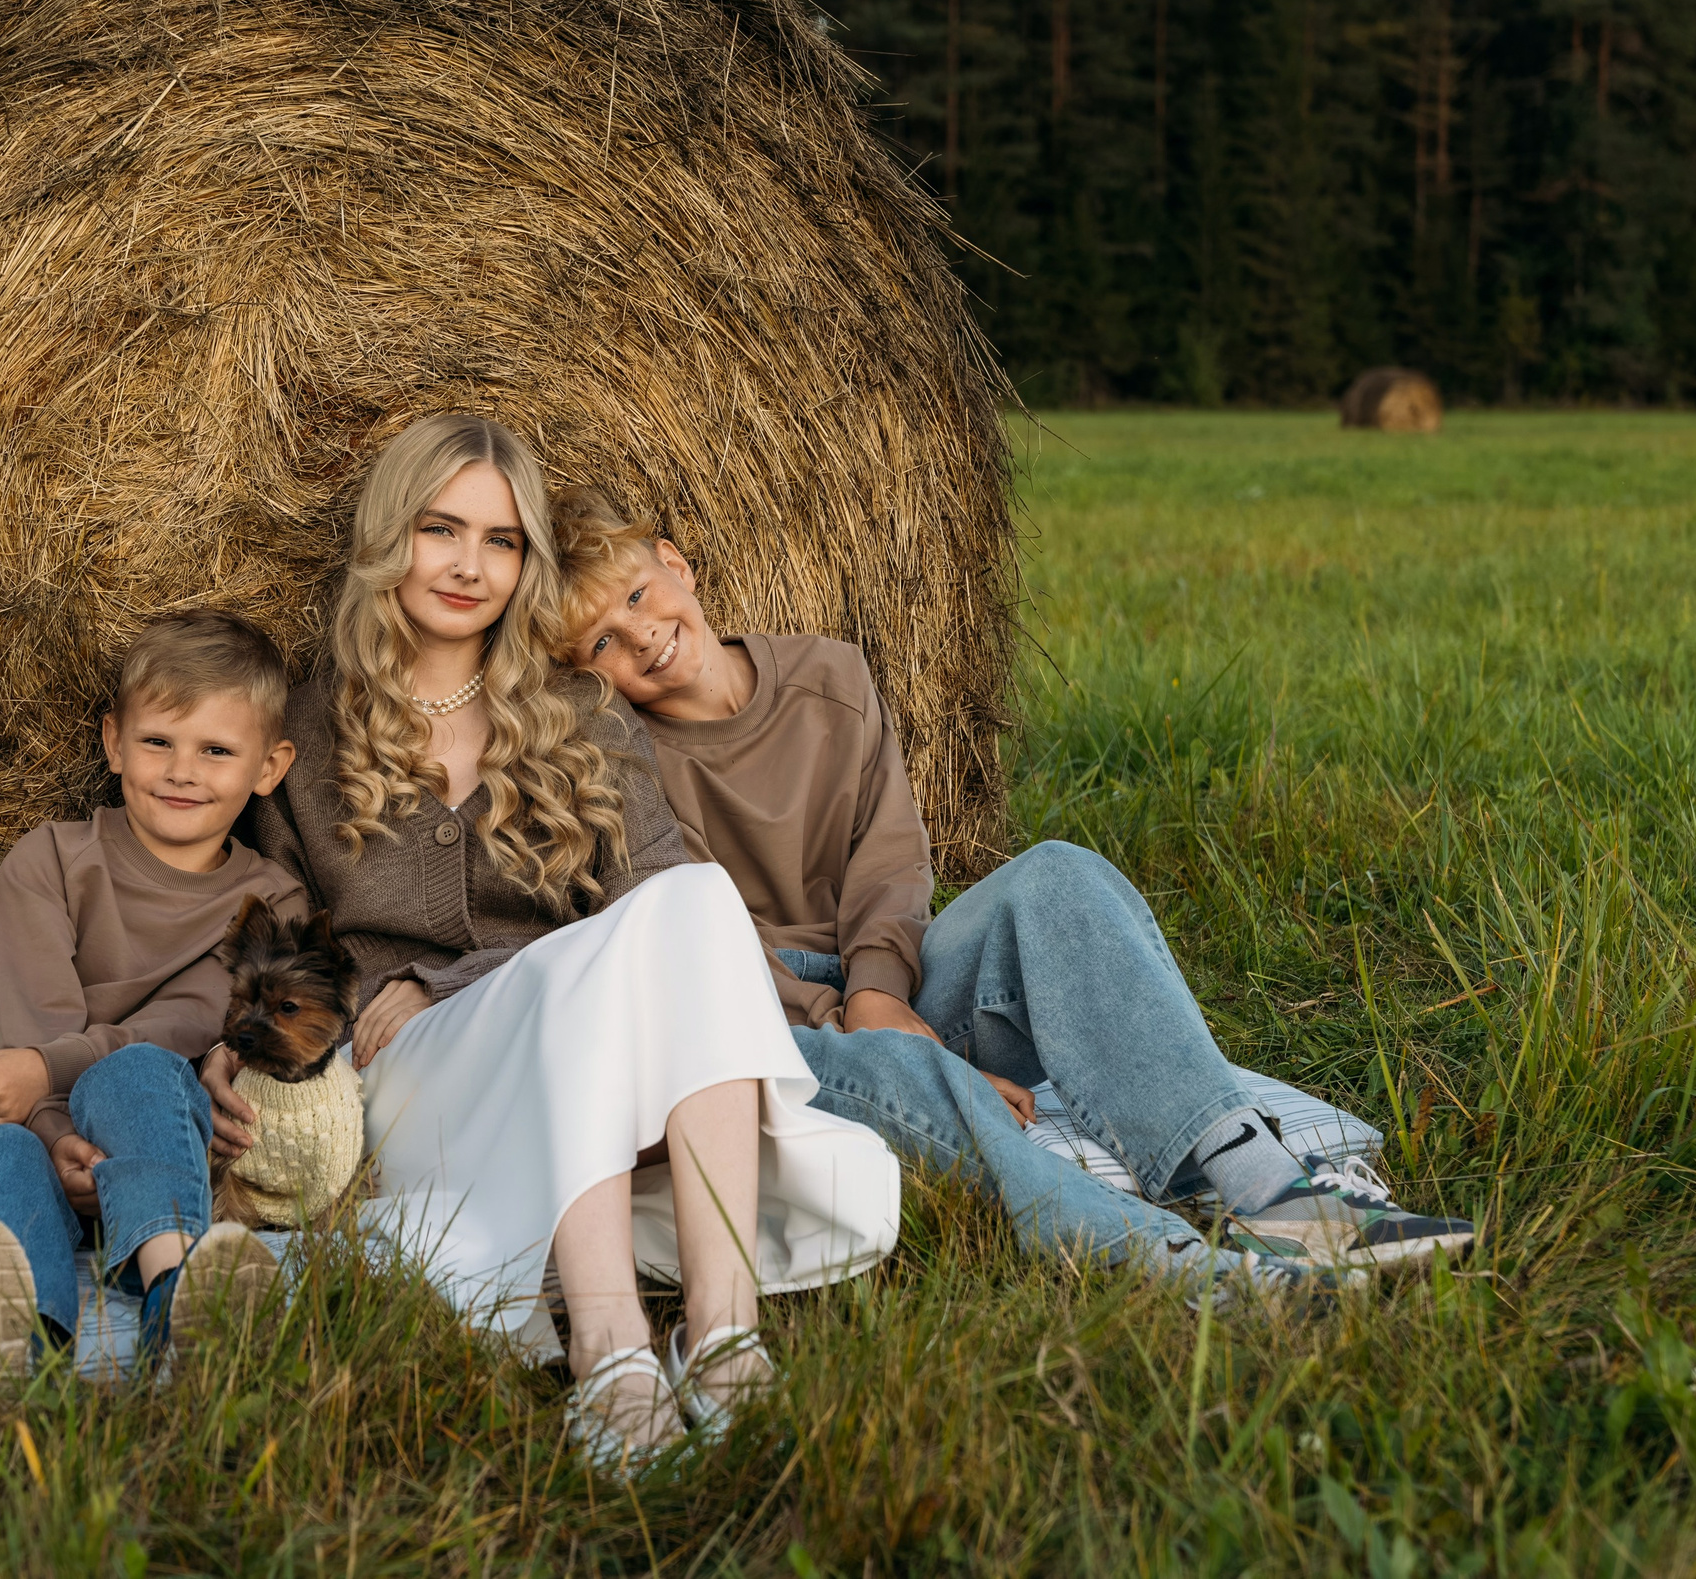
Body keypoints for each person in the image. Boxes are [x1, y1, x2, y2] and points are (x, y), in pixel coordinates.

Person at [548, 489, 1476, 1281]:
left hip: (894, 986)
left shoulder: (828, 673)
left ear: (676, 561)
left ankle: (1264, 1185)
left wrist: (876, 988)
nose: (643, 637)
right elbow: (697, 948)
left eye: (639, 593)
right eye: (602, 644)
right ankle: (1172, 1265)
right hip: (775, 1034)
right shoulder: (622, 761)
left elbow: (890, 854)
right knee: (880, 1063)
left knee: (1059, 875)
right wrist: (863, 1029)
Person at [211, 415, 898, 1474]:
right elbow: (282, 952)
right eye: (442, 529)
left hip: (566, 1038)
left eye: (501, 540)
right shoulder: (305, 731)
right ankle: (613, 1352)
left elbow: (666, 904)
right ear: (391, 533)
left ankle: (723, 1333)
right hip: (418, 1071)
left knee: (693, 899)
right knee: (607, 956)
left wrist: (467, 973)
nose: (469, 565)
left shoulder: (574, 708)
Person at [0, 610, 308, 1385]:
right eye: (158, 742)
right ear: (114, 742)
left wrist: (64, 1100)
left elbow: (182, 1022)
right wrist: (49, 1131)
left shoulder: (272, 905)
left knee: (145, 1067)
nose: (183, 770)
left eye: (216, 750)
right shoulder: (49, 860)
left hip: (137, 1132)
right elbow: (27, 1033)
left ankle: (180, 1314)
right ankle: (15, 1345)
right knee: (3, 1154)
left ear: (269, 766)